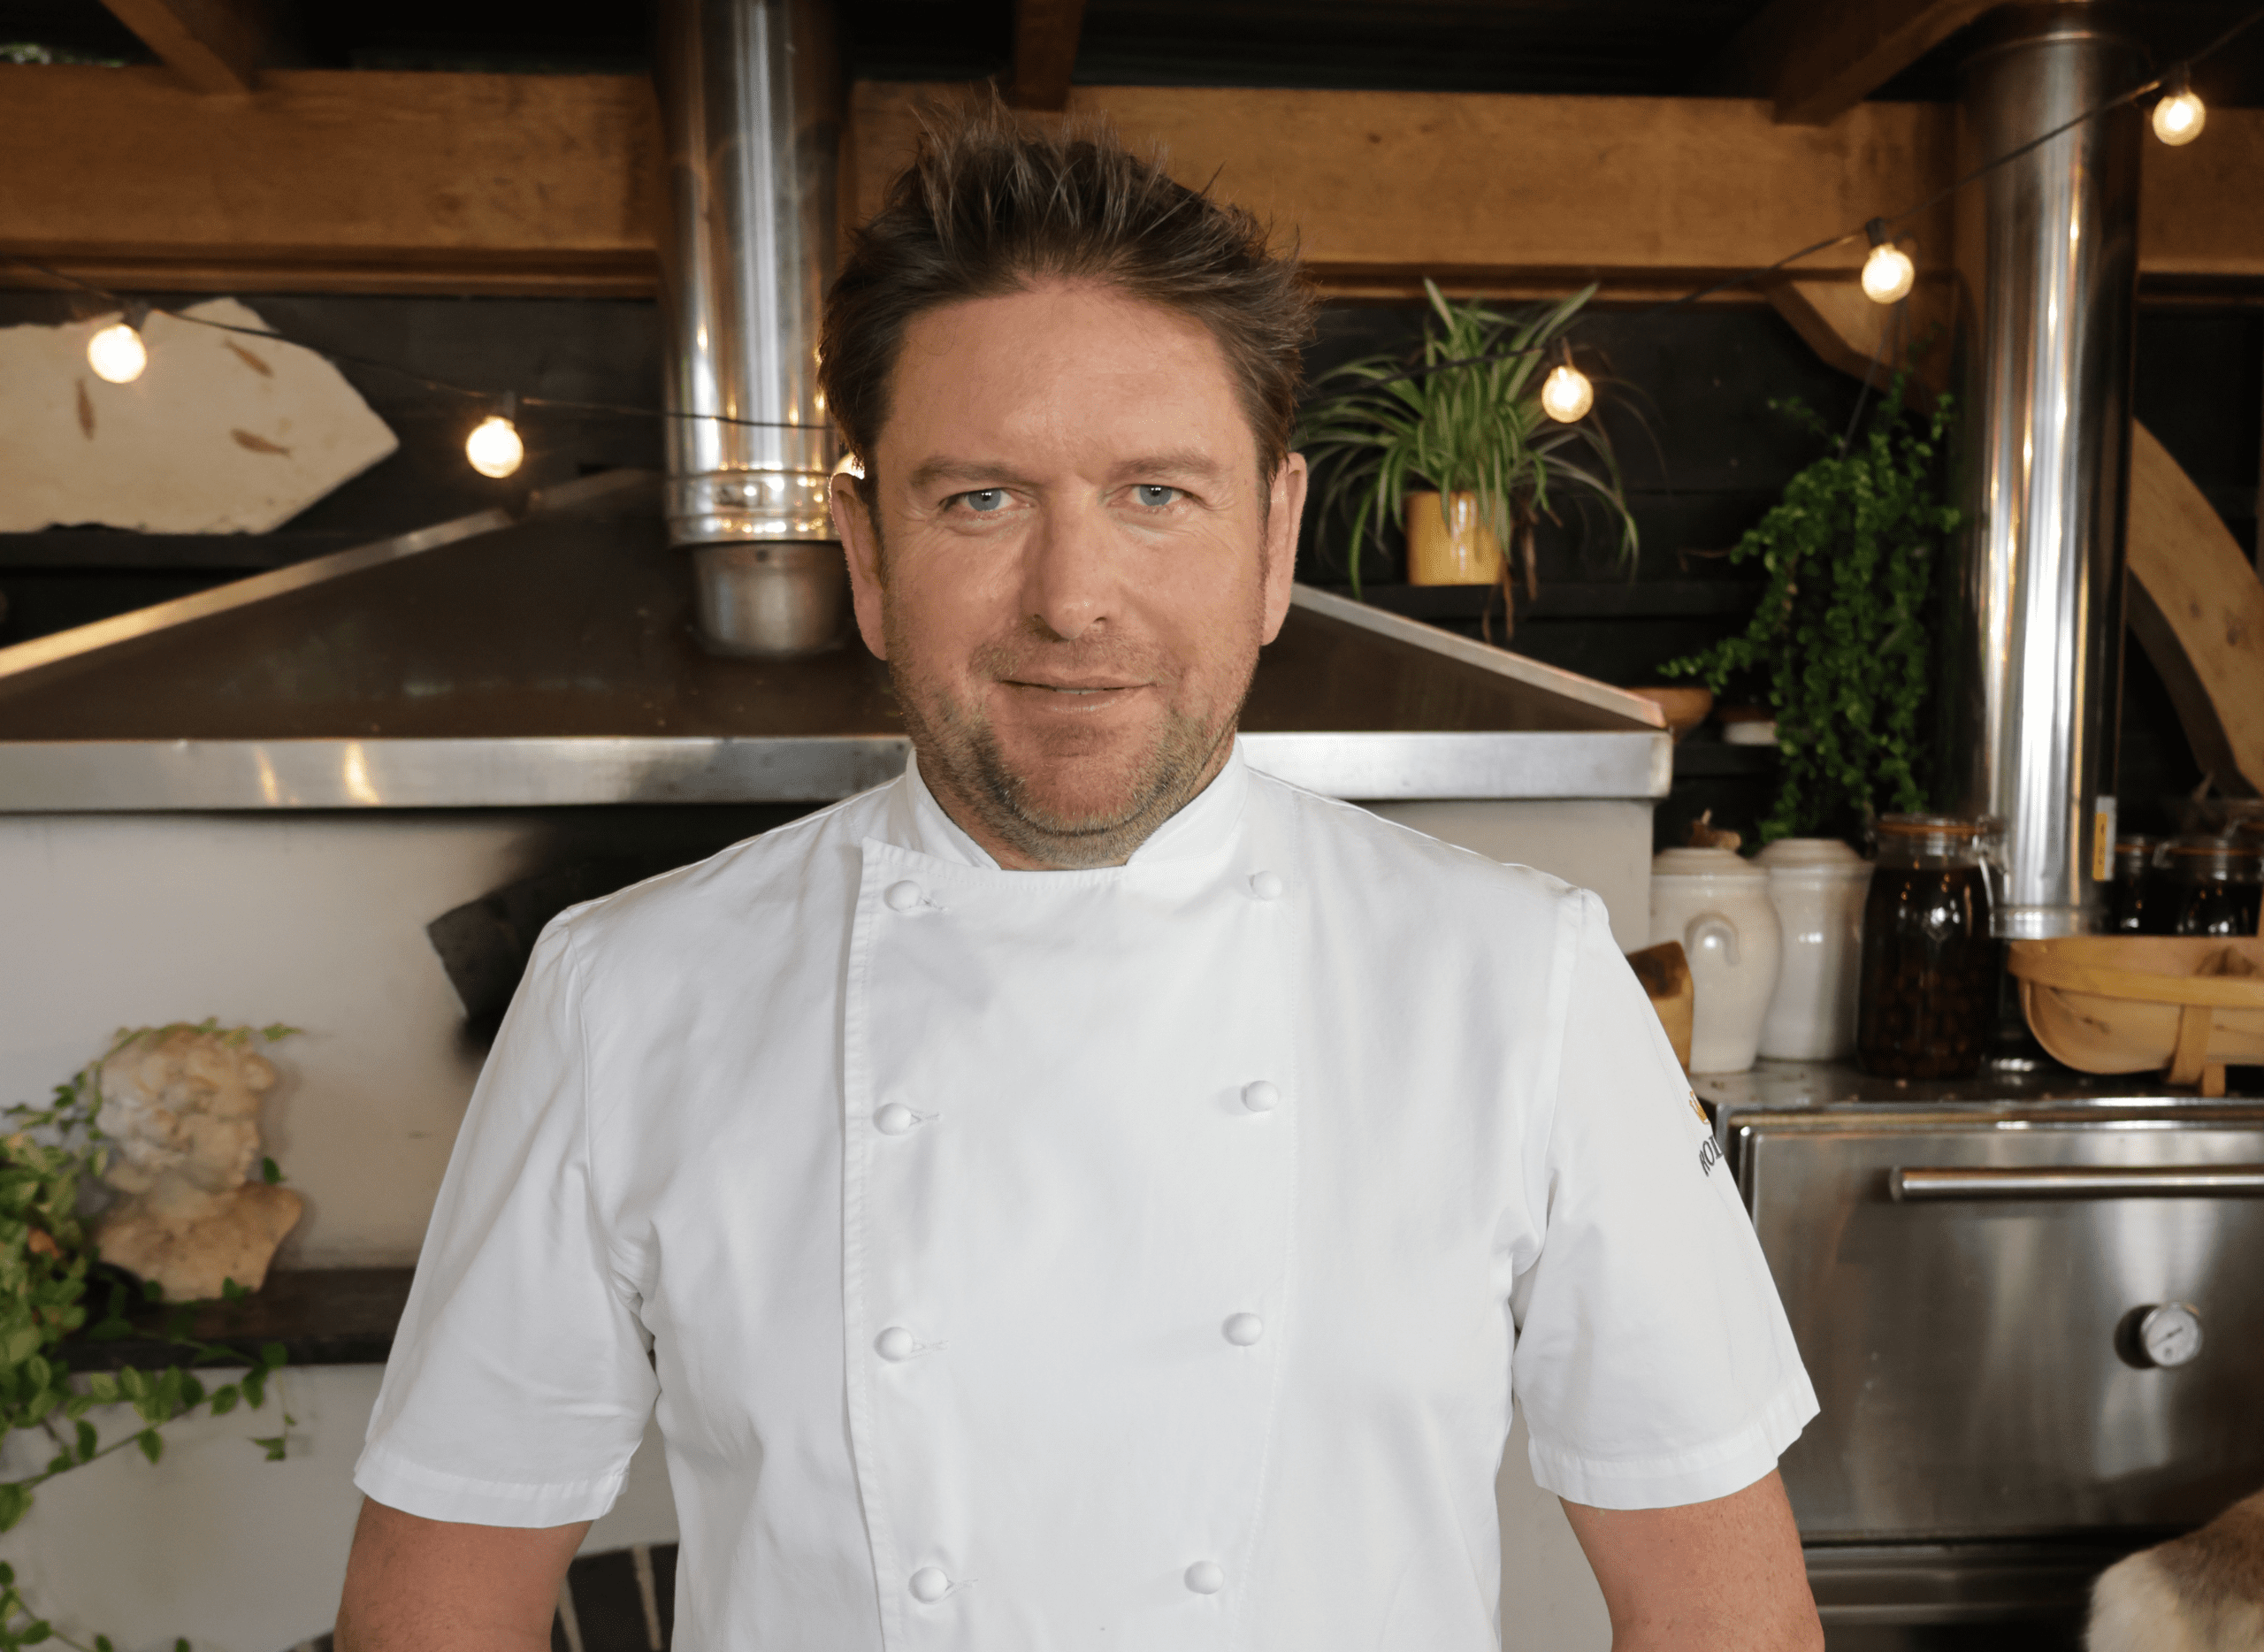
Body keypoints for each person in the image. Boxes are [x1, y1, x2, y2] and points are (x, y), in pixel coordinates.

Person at [337, 113, 1822, 1652]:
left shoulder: (1519, 981)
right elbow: (431, 1619)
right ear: (865, 552)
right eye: (978, 498)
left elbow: (1728, 1624)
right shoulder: (625, 996)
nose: (1072, 602)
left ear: (1274, 540)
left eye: (1157, 494)